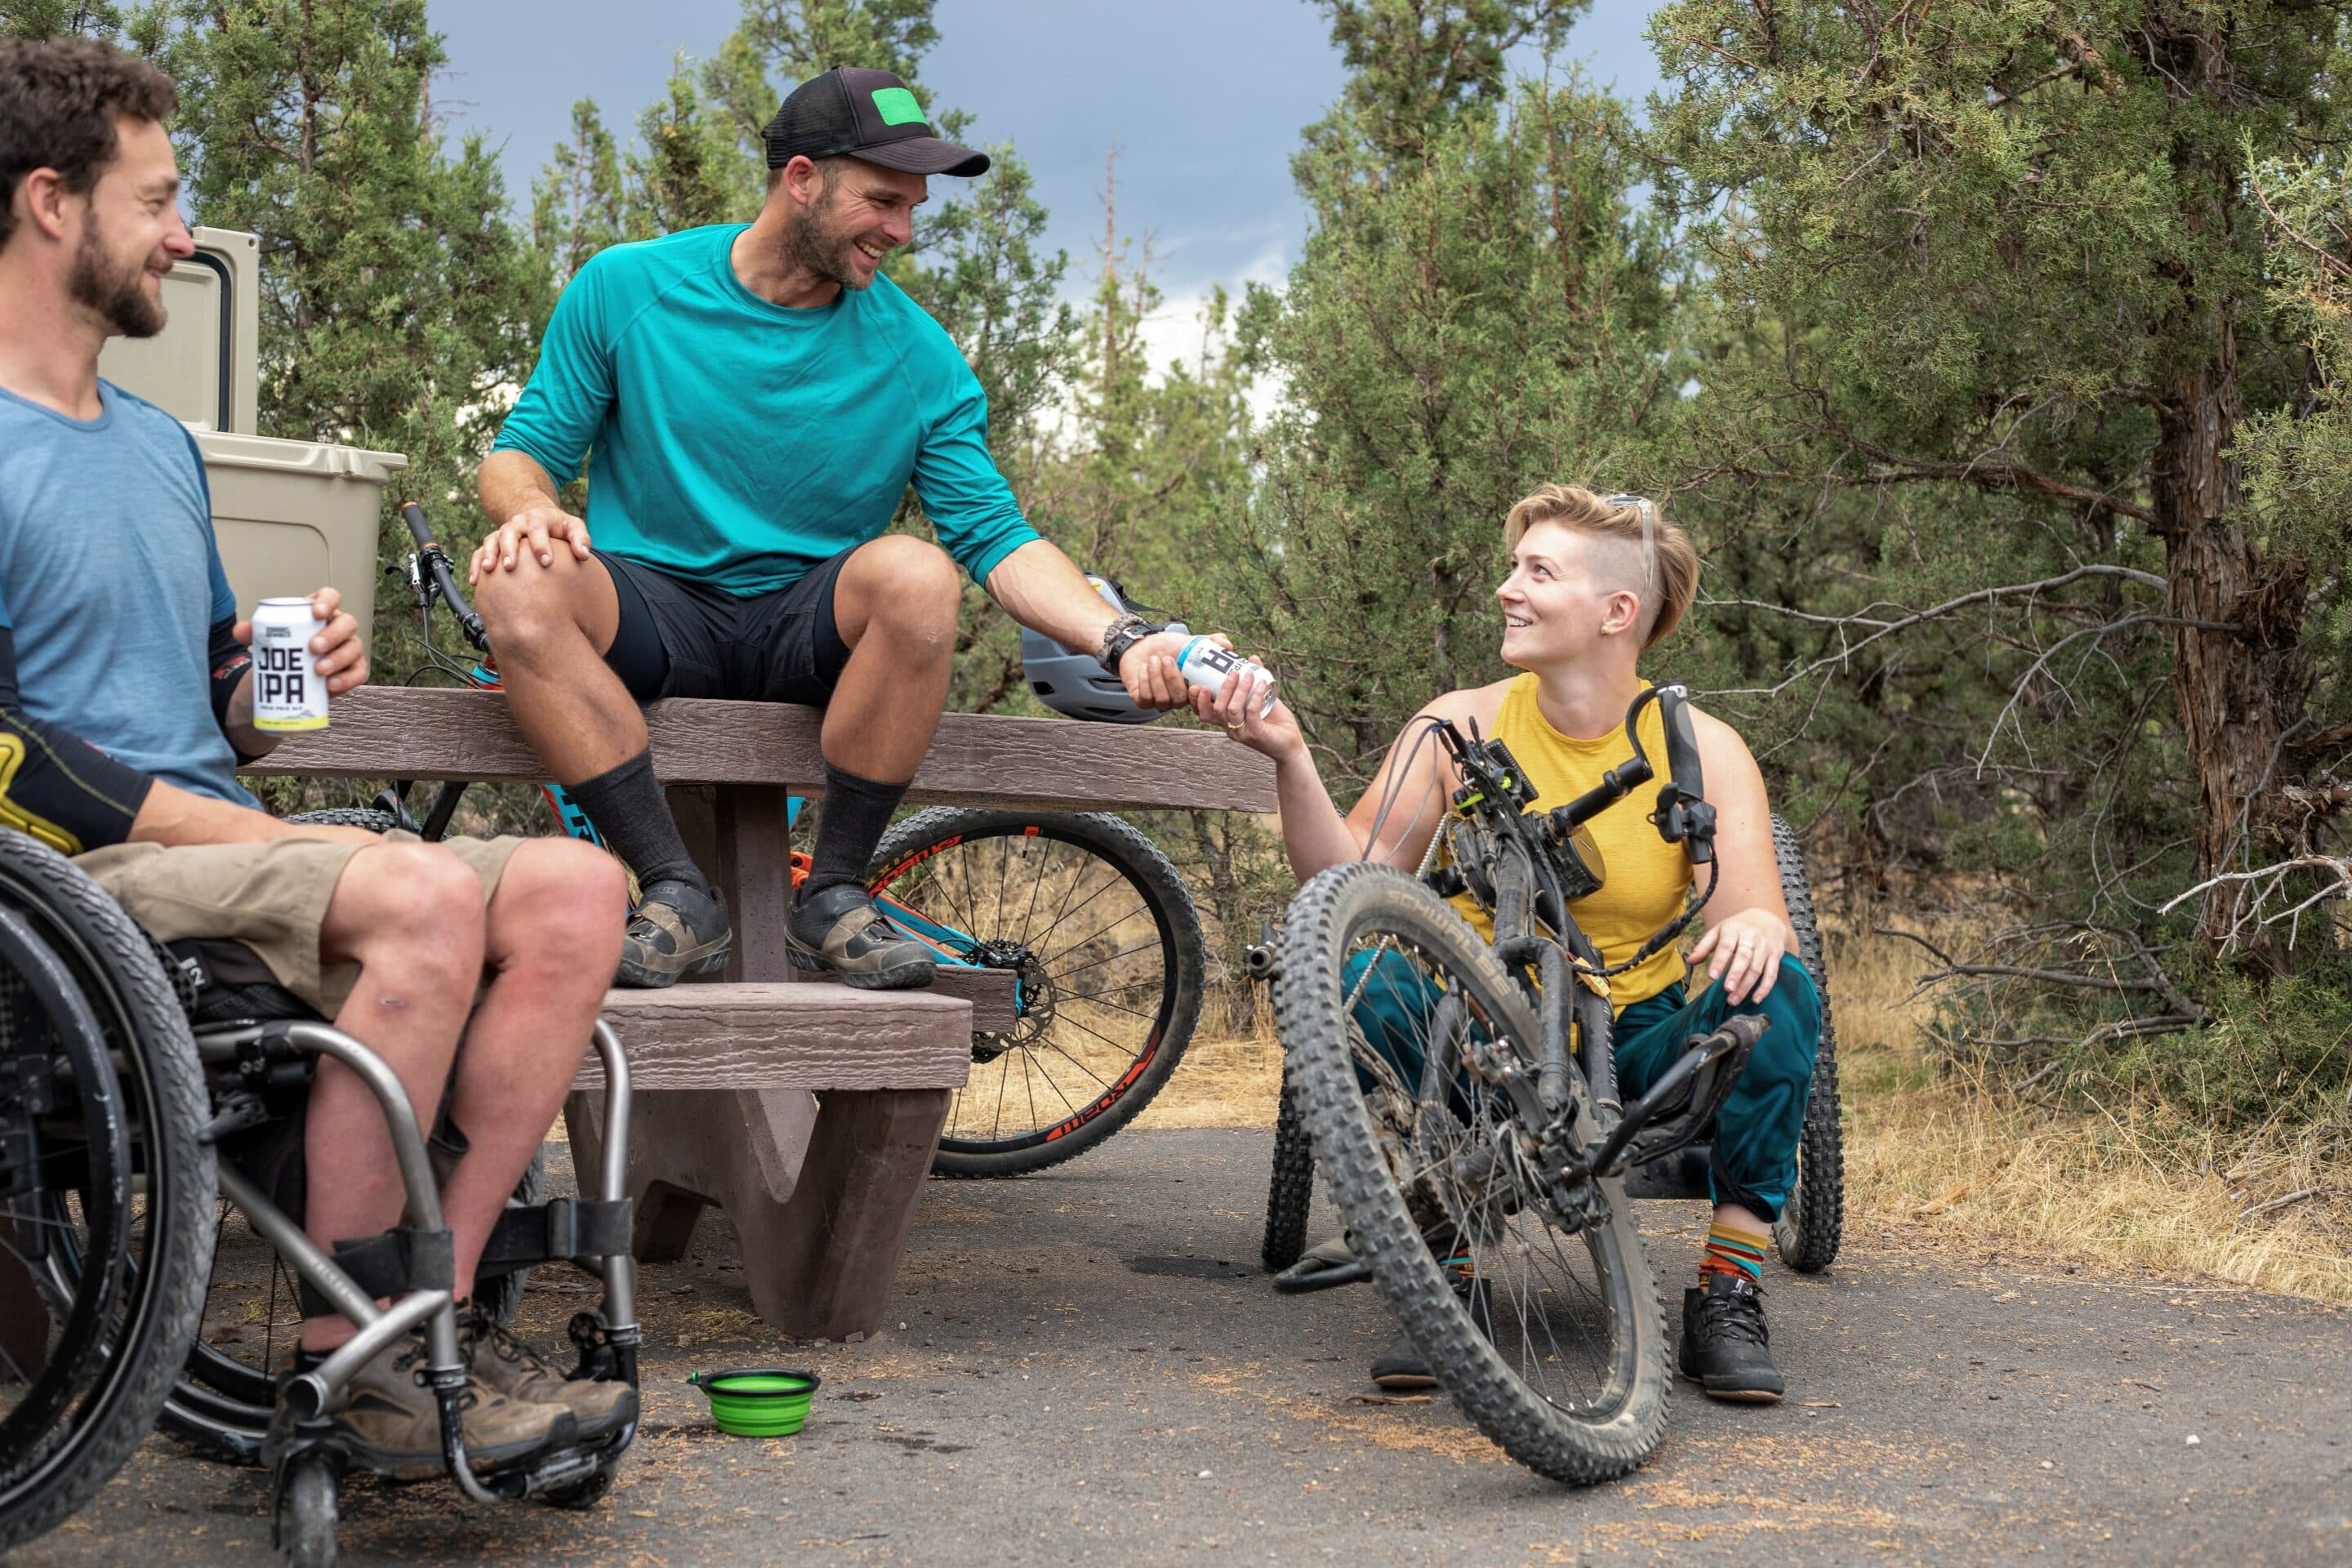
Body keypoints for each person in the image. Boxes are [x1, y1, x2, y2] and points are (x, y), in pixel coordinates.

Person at [0, 37, 632, 1476]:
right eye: (158, 201)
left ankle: (419, 1327)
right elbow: (7, 751)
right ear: (52, 203)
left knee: (574, 894)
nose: (181, 235)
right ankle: (357, 1367)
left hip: (216, 852)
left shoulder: (156, 444)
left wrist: (283, 686)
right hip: (67, 882)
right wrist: (264, 842)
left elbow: (217, 701)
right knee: (416, 895)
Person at [471, 66, 1226, 989]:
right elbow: (518, 454)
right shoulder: (628, 288)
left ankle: (832, 896)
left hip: (805, 634)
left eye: (913, 208)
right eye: (881, 201)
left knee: (918, 574)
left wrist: (1120, 637)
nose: (901, 232)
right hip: (654, 614)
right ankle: (674, 892)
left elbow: (996, 537)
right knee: (518, 576)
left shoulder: (917, 354)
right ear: (801, 179)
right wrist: (534, 512)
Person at [1179, 485, 1822, 1403]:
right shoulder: (1460, 725)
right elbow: (1345, 880)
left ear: (1617, 612)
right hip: (1478, 1033)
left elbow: (1751, 924)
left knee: (1779, 994)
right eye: (1513, 568)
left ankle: (1729, 1288)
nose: (1506, 590)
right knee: (1356, 975)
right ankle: (1445, 1274)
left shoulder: (1703, 749)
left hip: (1635, 1042)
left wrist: (1759, 924)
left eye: (1538, 572)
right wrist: (1290, 757)